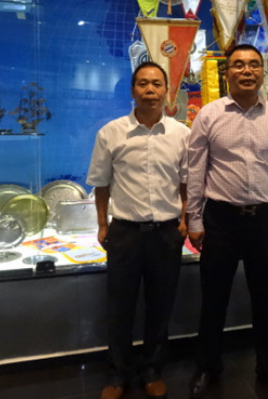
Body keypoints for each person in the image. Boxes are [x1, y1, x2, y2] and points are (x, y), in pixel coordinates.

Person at [186, 44, 268, 398]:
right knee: (213, 297)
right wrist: (194, 220)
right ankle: (208, 367)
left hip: (265, 220)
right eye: (238, 65)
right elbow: (195, 171)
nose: (246, 71)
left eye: (253, 65)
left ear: (262, 72)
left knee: (267, 297)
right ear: (227, 73)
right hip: (220, 220)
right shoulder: (209, 114)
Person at [87, 61, 190, 399]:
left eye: (156, 84)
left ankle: (152, 370)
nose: (150, 90)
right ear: (133, 90)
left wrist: (185, 220)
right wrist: (103, 224)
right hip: (125, 234)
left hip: (166, 234)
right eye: (143, 83)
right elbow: (101, 183)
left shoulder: (181, 134)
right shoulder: (111, 133)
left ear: (166, 91)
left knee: (161, 306)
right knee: (120, 308)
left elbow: (187, 183)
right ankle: (118, 374)